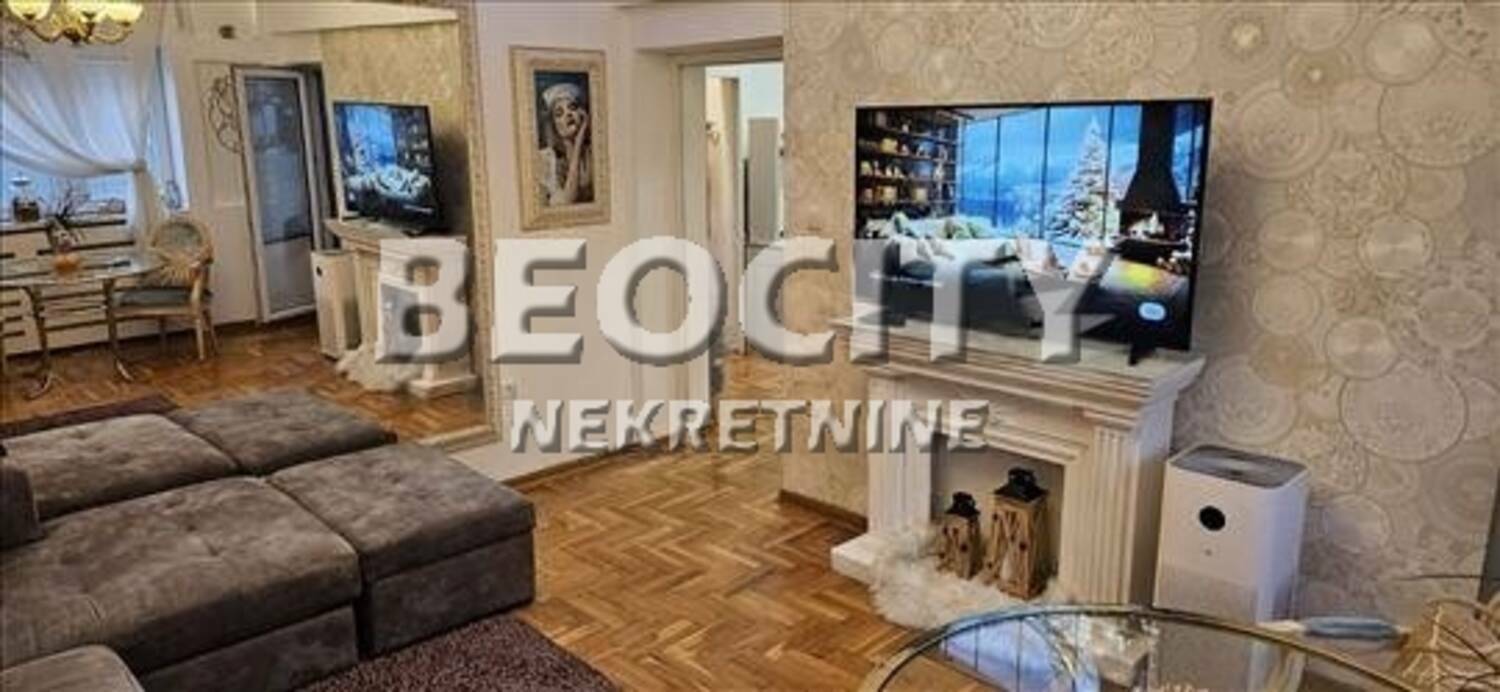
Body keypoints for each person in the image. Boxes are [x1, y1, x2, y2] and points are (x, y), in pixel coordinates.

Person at [537, 81, 592, 206]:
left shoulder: (592, 154)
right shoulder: (546, 159)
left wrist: (581, 135)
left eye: (572, 108)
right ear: (554, 125)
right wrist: (578, 141)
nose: (568, 114)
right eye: (559, 113)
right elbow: (567, 201)